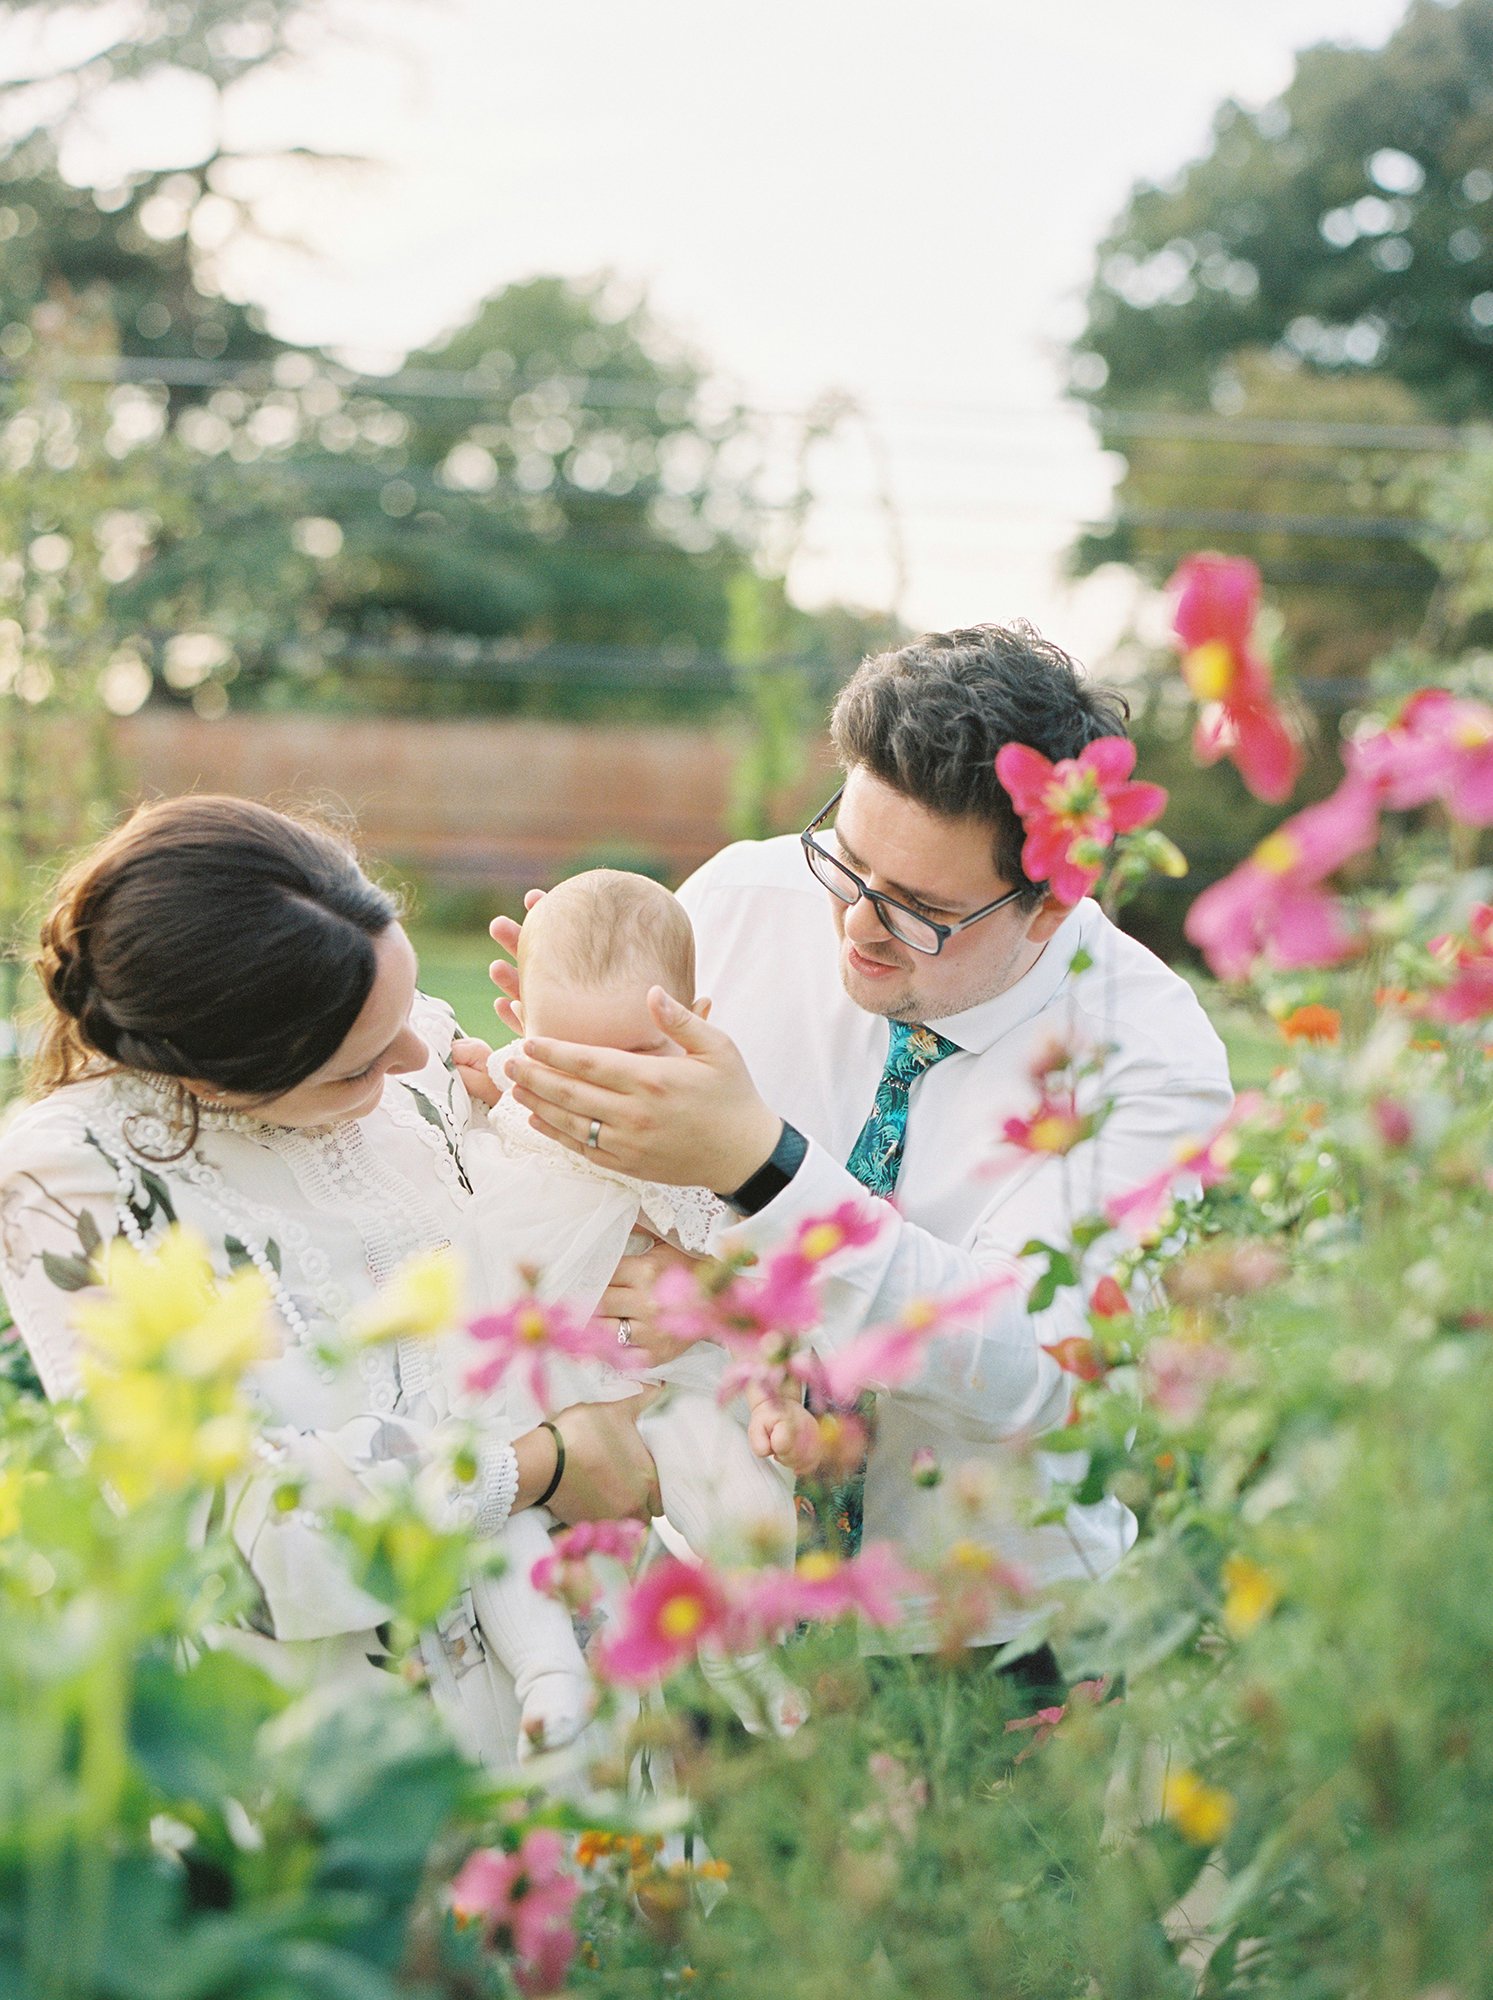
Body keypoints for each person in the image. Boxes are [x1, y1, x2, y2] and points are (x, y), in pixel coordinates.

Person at [483, 624, 1234, 1676]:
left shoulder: (1149, 1062)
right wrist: (555, 1068)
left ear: (1051, 899)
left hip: (982, 1647)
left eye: (920, 911)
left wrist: (762, 1168)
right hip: (708, 1604)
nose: (856, 925)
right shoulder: (744, 899)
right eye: (845, 861)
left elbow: (1036, 1364)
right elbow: (614, 1190)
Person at [0, 795, 661, 1767]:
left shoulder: (410, 1046)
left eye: (406, 1014)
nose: (414, 1055)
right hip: (346, 1752)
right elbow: (220, 1532)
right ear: (213, 1075)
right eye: (355, 1068)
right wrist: (544, 1461)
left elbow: (559, 1251)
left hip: (580, 1670)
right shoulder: (71, 1178)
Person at [452, 867, 820, 1751]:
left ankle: (745, 1659)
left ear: (690, 1017)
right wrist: (483, 1081)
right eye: (568, 1059)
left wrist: (777, 1392)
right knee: (500, 1500)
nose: (599, 1089)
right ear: (522, 1026)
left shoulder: (706, 1128)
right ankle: (546, 1665)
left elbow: (757, 1278)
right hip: (533, 1351)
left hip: (663, 1371)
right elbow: (477, 1108)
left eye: (634, 1056)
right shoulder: (517, 1075)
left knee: (743, 1499)